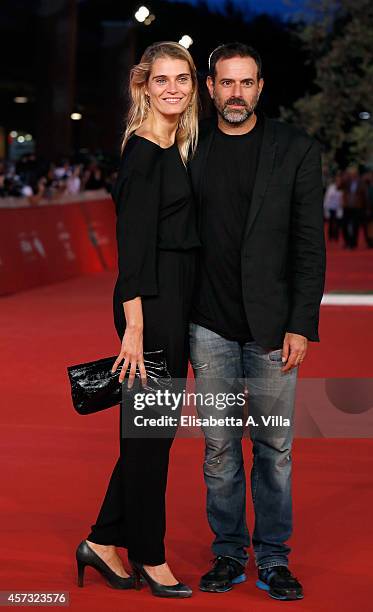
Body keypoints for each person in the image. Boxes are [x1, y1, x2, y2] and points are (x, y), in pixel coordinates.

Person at [189, 42, 326, 601]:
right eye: (226, 83)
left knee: (274, 450)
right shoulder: (188, 145)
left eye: (247, 83)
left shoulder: (295, 149)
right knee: (219, 450)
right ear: (211, 88)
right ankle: (228, 553)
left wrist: (300, 323)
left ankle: (272, 559)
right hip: (209, 327)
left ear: (260, 87)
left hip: (273, 331)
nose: (236, 94)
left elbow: (308, 246)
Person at [75, 41, 200, 598]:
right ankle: (150, 556)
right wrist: (134, 328)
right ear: (143, 87)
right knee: (150, 437)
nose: (172, 87)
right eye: (161, 79)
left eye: (182, 78)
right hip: (148, 307)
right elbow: (131, 254)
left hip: (172, 303)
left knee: (153, 435)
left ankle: (102, 540)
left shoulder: (177, 147)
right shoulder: (145, 152)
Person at [323, 172, 343, 241]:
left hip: (338, 208)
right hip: (331, 207)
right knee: (331, 223)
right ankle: (330, 236)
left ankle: (336, 236)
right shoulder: (331, 187)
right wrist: (325, 208)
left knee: (337, 223)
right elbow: (327, 198)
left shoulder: (343, 188)